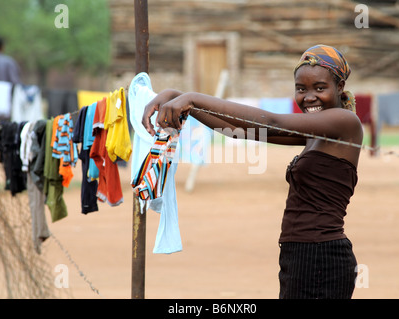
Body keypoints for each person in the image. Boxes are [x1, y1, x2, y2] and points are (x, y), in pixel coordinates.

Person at [141, 44, 363, 299]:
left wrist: (190, 97)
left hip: (322, 257)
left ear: (340, 88)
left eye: (319, 88)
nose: (309, 97)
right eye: (301, 89)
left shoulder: (345, 123)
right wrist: (177, 97)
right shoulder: (316, 133)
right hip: (299, 254)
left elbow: (271, 122)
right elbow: (239, 130)